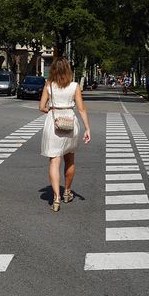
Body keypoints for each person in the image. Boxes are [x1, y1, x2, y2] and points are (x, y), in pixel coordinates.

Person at [39, 57, 92, 212]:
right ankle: (67, 192)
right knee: (69, 159)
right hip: (70, 122)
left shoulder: (48, 85)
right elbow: (81, 109)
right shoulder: (75, 86)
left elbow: (41, 107)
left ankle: (56, 199)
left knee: (54, 161)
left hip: (54, 122)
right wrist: (87, 128)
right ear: (68, 70)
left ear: (53, 70)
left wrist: (51, 110)